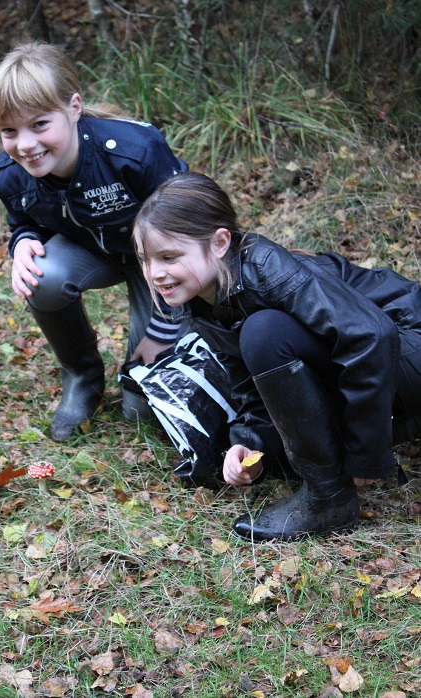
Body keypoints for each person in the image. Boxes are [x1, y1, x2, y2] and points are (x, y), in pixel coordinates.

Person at [133, 171, 421, 541]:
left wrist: (366, 452)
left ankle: (329, 499)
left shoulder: (265, 269)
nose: (155, 273)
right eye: (145, 260)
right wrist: (249, 442)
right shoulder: (201, 300)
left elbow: (372, 335)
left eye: (169, 257)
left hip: (408, 343)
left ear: (220, 243)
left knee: (264, 330)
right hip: (386, 364)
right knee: (264, 347)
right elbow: (253, 383)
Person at [0, 41, 187, 442]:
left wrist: (163, 329)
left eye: (40, 124)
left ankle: (141, 376)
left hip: (159, 261)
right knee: (42, 275)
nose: (25, 144)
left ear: (73, 108)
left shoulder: (135, 151)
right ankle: (82, 376)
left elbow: (187, 231)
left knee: (140, 407)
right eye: (10, 131)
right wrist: (22, 242)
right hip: (93, 252)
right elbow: (24, 221)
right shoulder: (11, 173)